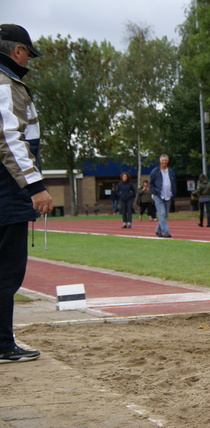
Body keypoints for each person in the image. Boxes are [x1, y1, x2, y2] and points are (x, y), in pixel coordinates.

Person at [0, 24, 54, 363]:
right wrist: (35, 186)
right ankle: (3, 342)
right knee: (8, 270)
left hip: (7, 189)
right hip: (8, 191)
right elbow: (9, 139)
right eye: (26, 53)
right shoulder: (6, 84)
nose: (27, 60)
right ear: (17, 50)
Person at [149, 154, 177, 238]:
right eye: (162, 160)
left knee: (165, 215)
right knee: (162, 213)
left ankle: (158, 230)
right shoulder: (155, 171)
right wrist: (154, 192)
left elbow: (173, 183)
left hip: (168, 195)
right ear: (160, 161)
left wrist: (174, 192)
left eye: (165, 160)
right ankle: (165, 231)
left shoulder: (171, 172)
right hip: (158, 195)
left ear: (167, 161)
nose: (164, 162)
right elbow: (151, 183)